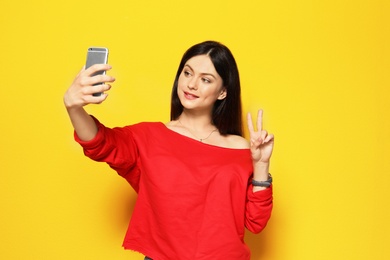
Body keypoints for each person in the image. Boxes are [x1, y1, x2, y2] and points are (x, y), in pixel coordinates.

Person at [64, 41, 274, 260]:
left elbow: (255, 222)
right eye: (187, 73)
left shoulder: (241, 148)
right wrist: (74, 107)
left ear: (222, 92)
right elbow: (100, 143)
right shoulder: (149, 137)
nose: (191, 84)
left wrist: (261, 165)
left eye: (205, 79)